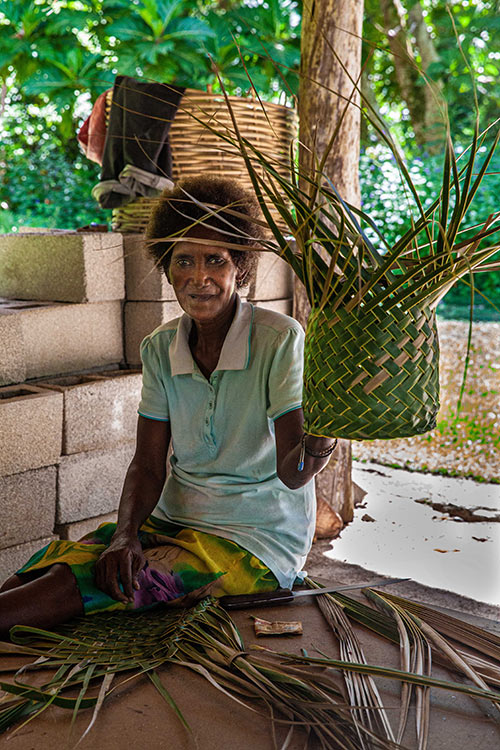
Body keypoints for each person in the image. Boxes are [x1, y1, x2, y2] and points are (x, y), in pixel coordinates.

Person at [0, 176, 338, 640]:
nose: (199, 277)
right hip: (172, 521)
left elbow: (292, 473)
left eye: (215, 259)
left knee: (78, 586)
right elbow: (147, 464)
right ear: (167, 267)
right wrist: (125, 534)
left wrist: (324, 435)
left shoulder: (278, 340)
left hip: (251, 541)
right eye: (184, 260)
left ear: (239, 266)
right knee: (42, 570)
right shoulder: (161, 347)